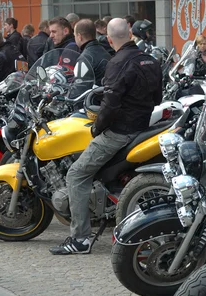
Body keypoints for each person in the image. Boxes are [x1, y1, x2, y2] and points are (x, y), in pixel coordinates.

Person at [49, 18, 162, 255]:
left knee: (76, 174)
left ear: (109, 39)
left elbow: (110, 106)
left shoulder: (117, 62)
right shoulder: (150, 61)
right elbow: (157, 99)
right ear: (130, 33)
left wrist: (96, 128)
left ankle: (79, 239)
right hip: (143, 126)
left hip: (120, 131)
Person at [74, 19, 111, 86]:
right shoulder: (105, 52)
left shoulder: (85, 58)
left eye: (75, 36)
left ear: (79, 37)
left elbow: (79, 88)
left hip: (94, 95)